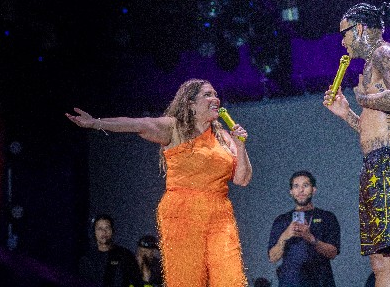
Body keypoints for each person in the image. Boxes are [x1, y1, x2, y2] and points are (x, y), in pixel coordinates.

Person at [66, 78, 252, 287]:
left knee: (231, 279)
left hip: (219, 214)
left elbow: (242, 179)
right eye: (207, 94)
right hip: (183, 212)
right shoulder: (174, 128)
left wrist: (240, 146)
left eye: (216, 94)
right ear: (190, 103)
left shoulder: (223, 137)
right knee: (187, 280)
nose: (215, 98)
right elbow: (138, 124)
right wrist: (96, 123)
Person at [323, 2, 390, 287]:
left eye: (344, 33)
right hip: (375, 162)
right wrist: (347, 114)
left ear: (359, 28)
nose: (343, 41)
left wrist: (363, 99)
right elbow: (373, 128)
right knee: (381, 259)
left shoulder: (387, 53)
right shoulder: (370, 65)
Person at [268, 170, 340, 287]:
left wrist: (311, 238)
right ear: (291, 191)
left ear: (313, 190)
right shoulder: (281, 220)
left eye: (305, 185)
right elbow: (272, 257)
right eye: (296, 186)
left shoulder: (327, 217)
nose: (301, 190)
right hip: (290, 282)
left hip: (321, 282)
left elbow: (333, 253)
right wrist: (285, 236)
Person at [79, 214, 143, 287]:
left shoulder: (125, 255)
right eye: (99, 229)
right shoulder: (87, 259)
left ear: (112, 230)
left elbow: (137, 282)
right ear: (94, 232)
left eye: (107, 228)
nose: (104, 232)